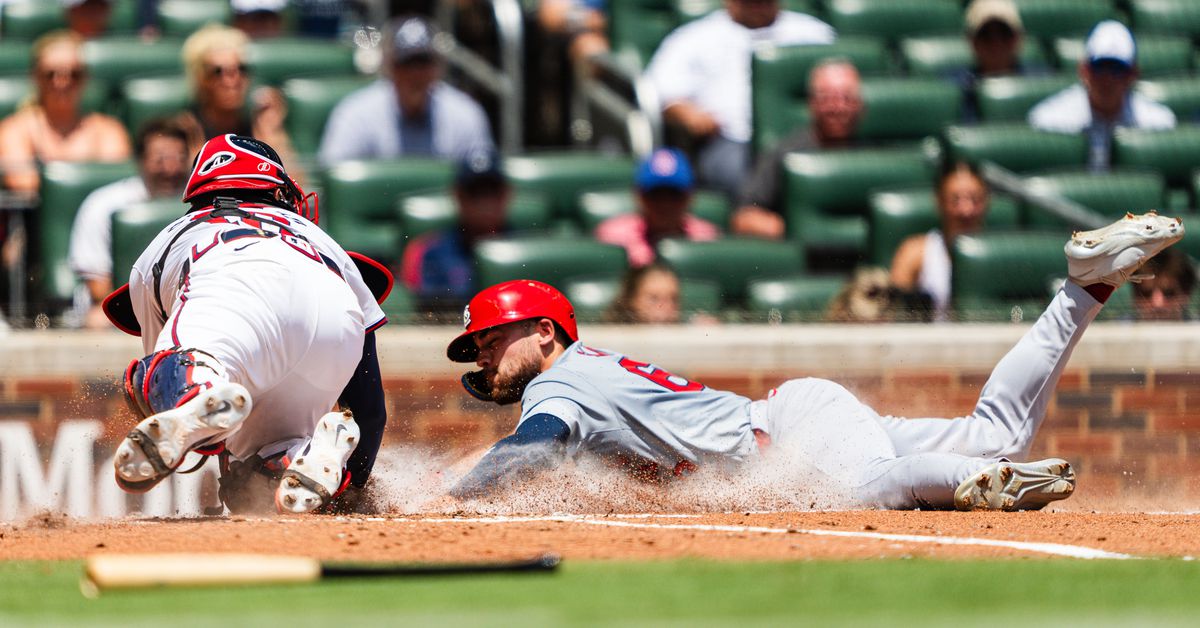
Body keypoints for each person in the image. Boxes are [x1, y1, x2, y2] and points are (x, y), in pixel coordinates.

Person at [440, 211, 1184, 510]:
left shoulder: (560, 382)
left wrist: (442, 499)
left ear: (542, 331)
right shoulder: (584, 370)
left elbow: (525, 456)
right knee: (997, 434)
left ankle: (974, 483)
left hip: (790, 440)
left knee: (868, 493)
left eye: (491, 340)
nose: (485, 357)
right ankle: (1085, 288)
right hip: (796, 421)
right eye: (477, 350)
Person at [104, 134, 391, 515]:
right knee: (264, 466)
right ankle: (305, 453)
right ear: (277, 189)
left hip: (230, 290)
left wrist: (190, 406)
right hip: (334, 314)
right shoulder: (321, 239)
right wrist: (354, 486)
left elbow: (174, 389)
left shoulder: (170, 237)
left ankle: (199, 385)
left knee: (163, 377)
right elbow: (370, 410)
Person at [645, 0, 834, 198]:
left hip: (804, 138)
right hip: (731, 141)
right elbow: (658, 92)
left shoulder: (814, 34)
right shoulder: (693, 37)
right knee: (740, 176)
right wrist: (686, 113)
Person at [318, 16, 495, 166]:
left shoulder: (465, 115)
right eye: (406, 63)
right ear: (388, 68)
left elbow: (481, 184)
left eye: (423, 62)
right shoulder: (356, 115)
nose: (415, 74)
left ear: (438, 68)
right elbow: (335, 181)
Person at [68, 117, 191, 329]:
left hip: (186, 307)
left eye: (179, 158)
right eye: (160, 159)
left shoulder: (201, 204)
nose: (171, 168)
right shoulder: (103, 204)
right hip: (123, 310)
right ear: (141, 160)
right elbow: (99, 288)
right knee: (97, 320)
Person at [731, 58, 863, 240]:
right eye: (827, 98)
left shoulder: (875, 154)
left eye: (847, 98)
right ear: (811, 103)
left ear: (861, 105)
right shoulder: (785, 154)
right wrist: (796, 228)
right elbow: (744, 217)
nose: (837, 107)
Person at [1028, 20, 1175, 172]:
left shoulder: (1158, 124)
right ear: (1083, 70)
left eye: (1117, 69)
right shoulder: (1050, 121)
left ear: (1133, 74)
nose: (1107, 79)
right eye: (1100, 67)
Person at [0, 30, 131, 194]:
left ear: (86, 78)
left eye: (74, 74)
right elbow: (21, 182)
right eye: (51, 74)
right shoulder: (14, 129)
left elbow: (116, 184)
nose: (62, 82)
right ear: (35, 76)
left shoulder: (109, 130)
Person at [178, 25, 301, 181]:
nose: (233, 80)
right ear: (201, 79)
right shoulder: (186, 130)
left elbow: (298, 189)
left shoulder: (260, 126)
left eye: (241, 69)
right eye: (218, 72)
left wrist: (273, 136)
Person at [399, 149, 512, 313]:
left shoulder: (529, 252)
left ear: (506, 194)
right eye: (475, 192)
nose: (485, 202)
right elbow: (427, 315)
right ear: (458, 195)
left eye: (492, 191)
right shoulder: (429, 251)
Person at [889, 162, 991, 322]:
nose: (966, 210)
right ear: (939, 201)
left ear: (987, 200)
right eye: (955, 200)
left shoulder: (1000, 256)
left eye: (974, 199)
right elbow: (893, 311)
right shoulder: (916, 253)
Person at [595, 148, 720, 268]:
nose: (665, 204)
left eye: (674, 194)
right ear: (638, 196)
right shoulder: (614, 239)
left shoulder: (706, 239)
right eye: (655, 195)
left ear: (690, 197)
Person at [954, 0, 1045, 122]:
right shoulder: (957, 89)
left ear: (1019, 38)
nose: (996, 44)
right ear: (971, 40)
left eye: (1005, 33)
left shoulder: (1041, 83)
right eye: (985, 35)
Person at [604, 262, 682, 324]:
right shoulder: (604, 337)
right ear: (630, 300)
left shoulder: (687, 335)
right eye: (654, 299)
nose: (667, 307)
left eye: (673, 299)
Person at [1131, 248, 1195, 321]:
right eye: (1146, 293)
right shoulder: (1116, 328)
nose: (1158, 304)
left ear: (1186, 295)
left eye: (1168, 293)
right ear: (1134, 297)